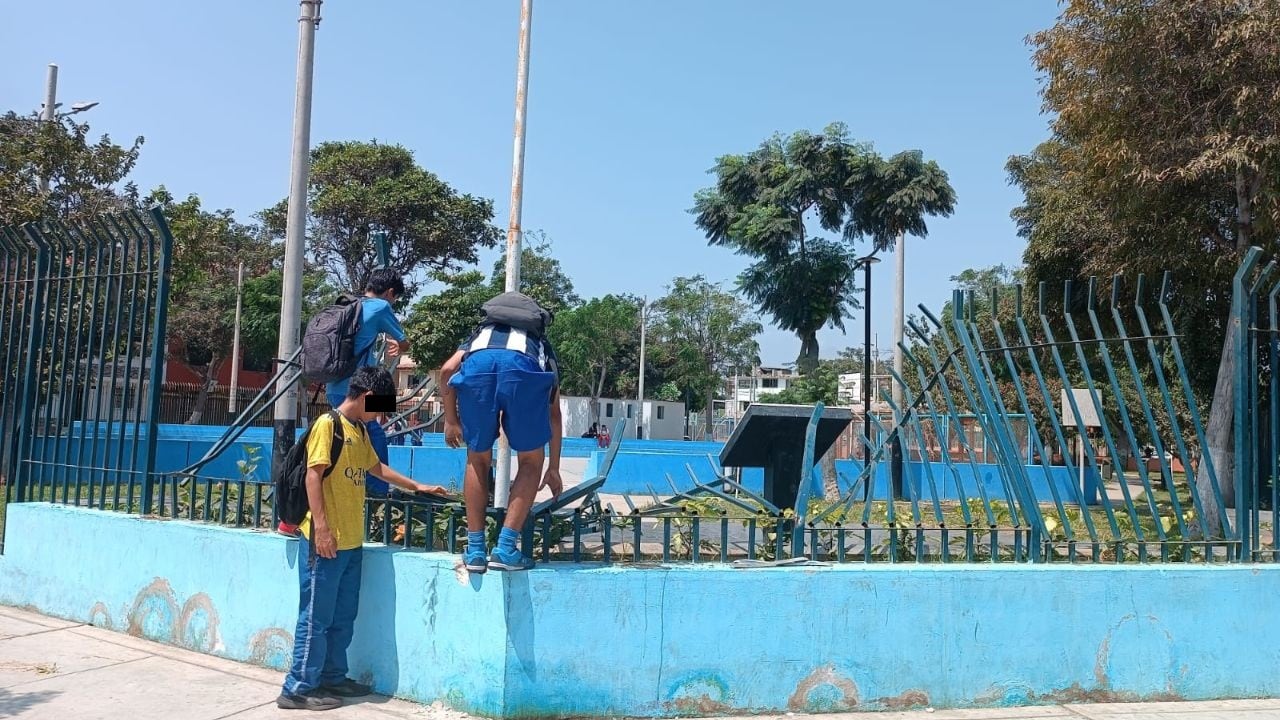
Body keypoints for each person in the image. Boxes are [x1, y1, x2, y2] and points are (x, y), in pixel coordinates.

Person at [277, 367, 446, 711]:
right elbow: (314, 476)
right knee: (316, 617)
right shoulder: (329, 425)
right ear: (367, 396)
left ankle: (333, 677)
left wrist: (417, 485)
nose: (381, 415)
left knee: (342, 615)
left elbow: (376, 469)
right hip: (324, 540)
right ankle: (297, 688)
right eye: (380, 407)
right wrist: (321, 528)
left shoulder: (361, 431)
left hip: (351, 541)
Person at [279, 270, 409, 536]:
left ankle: (291, 516)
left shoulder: (347, 305)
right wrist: (400, 346)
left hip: (335, 385)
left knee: (334, 444)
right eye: (395, 299)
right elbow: (404, 341)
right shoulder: (382, 306)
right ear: (390, 293)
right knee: (376, 434)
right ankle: (380, 493)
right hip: (363, 387)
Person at [439, 292, 563, 573]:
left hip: (478, 368)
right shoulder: (539, 343)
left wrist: (451, 420)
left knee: (477, 458)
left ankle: (475, 550)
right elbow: (553, 413)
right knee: (531, 461)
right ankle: (506, 548)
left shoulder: (478, 335)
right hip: (524, 370)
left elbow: (447, 370)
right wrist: (553, 467)